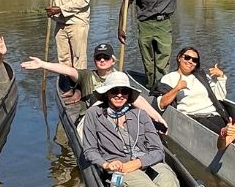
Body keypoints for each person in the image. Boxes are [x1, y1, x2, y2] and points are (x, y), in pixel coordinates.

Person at [81, 73, 211, 187]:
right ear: (107, 94)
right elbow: (89, 150)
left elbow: (158, 150)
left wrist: (138, 162)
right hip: (121, 170)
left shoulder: (140, 115)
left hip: (149, 163)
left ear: (129, 94)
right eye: (114, 91)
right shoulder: (94, 114)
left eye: (124, 91)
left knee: (169, 184)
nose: (119, 95)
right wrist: (106, 164)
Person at [20, 42, 167, 130]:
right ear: (95, 60)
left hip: (120, 117)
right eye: (98, 57)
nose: (102, 60)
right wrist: (43, 64)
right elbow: (67, 70)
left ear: (112, 60)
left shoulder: (120, 78)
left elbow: (136, 99)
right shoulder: (86, 76)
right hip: (95, 119)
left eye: (106, 57)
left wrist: (155, 116)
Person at [157, 46, 229, 133]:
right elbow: (161, 104)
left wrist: (221, 77)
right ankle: (228, 137)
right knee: (221, 132)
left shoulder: (202, 77)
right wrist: (177, 88)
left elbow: (219, 96)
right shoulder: (169, 78)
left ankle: (229, 136)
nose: (190, 61)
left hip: (213, 115)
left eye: (194, 60)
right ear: (179, 58)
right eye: (187, 57)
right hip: (193, 119)